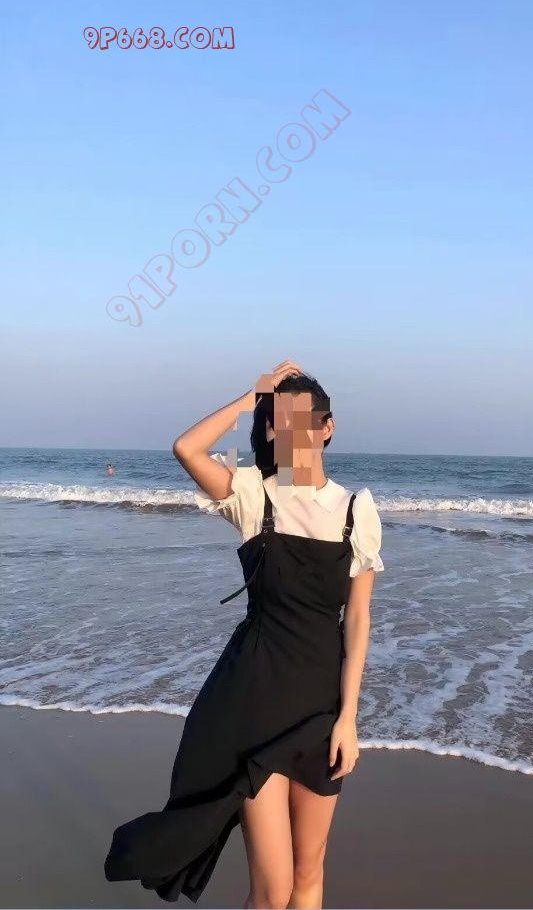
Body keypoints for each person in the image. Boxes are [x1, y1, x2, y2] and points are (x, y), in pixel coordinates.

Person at [104, 360, 383, 907]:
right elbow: (187, 449)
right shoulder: (256, 496)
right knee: (273, 890)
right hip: (255, 710)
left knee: (309, 874)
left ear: (327, 427)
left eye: (303, 422)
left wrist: (349, 719)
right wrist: (251, 395)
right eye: (280, 422)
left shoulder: (357, 510)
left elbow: (357, 619)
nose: (291, 433)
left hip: (321, 710)